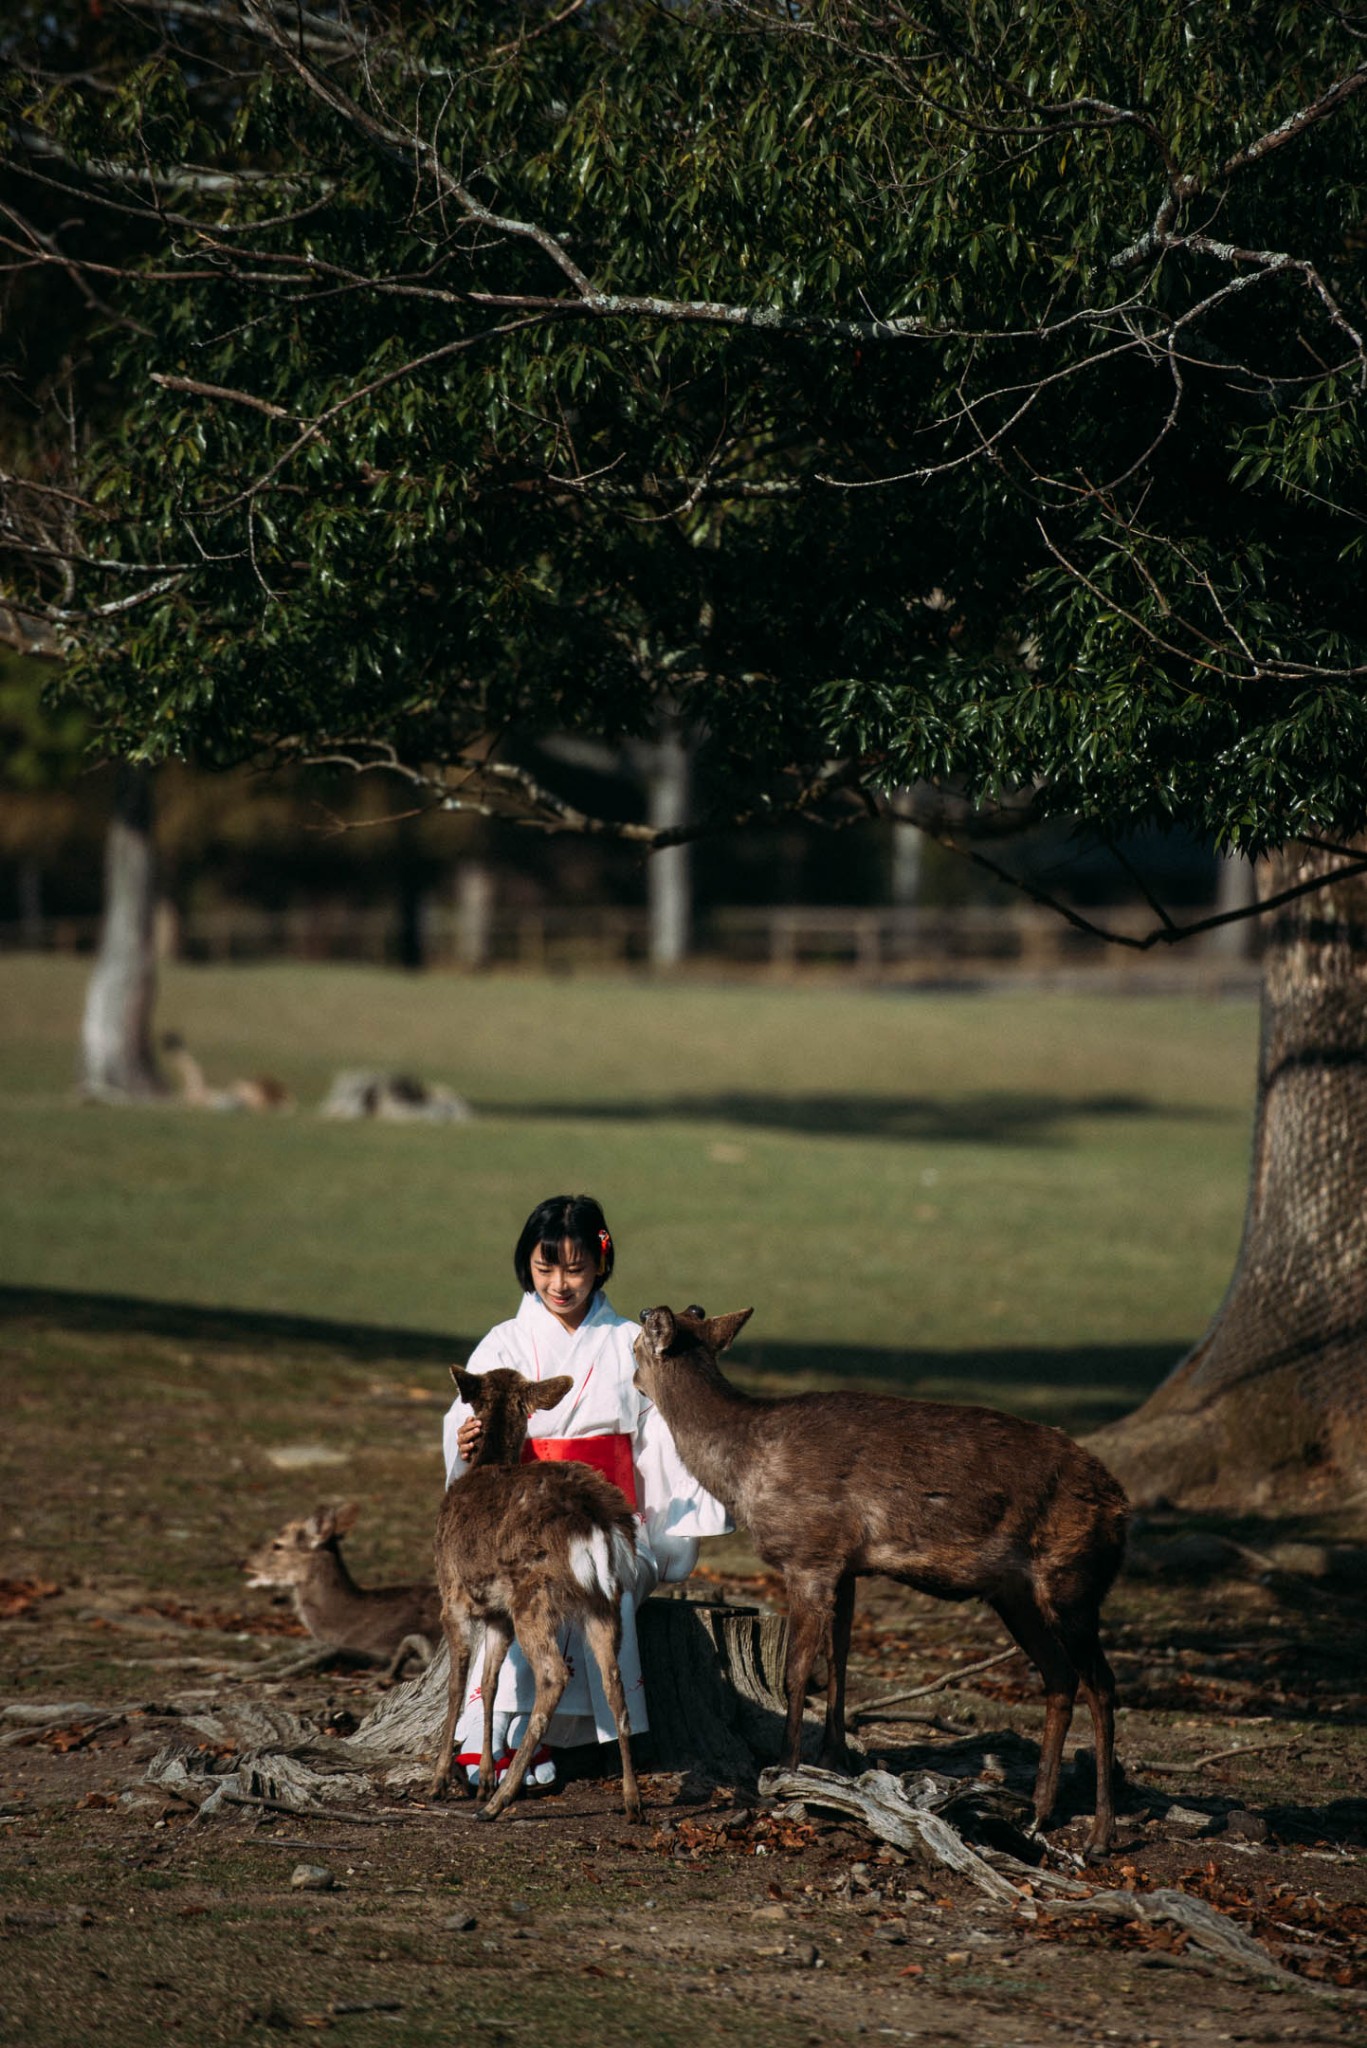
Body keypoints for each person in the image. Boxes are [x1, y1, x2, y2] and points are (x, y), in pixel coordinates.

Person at [440, 1193, 731, 1791]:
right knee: (532, 1573)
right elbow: (464, 1416)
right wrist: (466, 1436)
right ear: (528, 1266)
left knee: (587, 1570)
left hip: (608, 1514)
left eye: (575, 1268)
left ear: (601, 1262)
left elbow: (662, 1437)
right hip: (519, 1517)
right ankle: (493, 1727)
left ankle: (532, 1733)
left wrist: (671, 1533)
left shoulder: (629, 1342)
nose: (560, 1283)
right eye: (545, 1269)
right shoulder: (502, 1343)